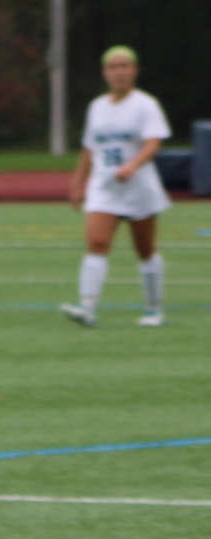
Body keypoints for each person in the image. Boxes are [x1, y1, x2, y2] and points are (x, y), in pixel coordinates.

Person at [61, 46, 170, 329]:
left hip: (139, 188)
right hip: (105, 187)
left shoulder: (146, 104)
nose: (119, 72)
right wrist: (78, 183)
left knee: (145, 248)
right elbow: (89, 148)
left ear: (135, 70)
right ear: (105, 72)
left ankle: (153, 308)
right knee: (97, 243)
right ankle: (87, 306)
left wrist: (133, 165)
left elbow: (153, 142)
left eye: (125, 66)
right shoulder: (96, 107)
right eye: (113, 67)